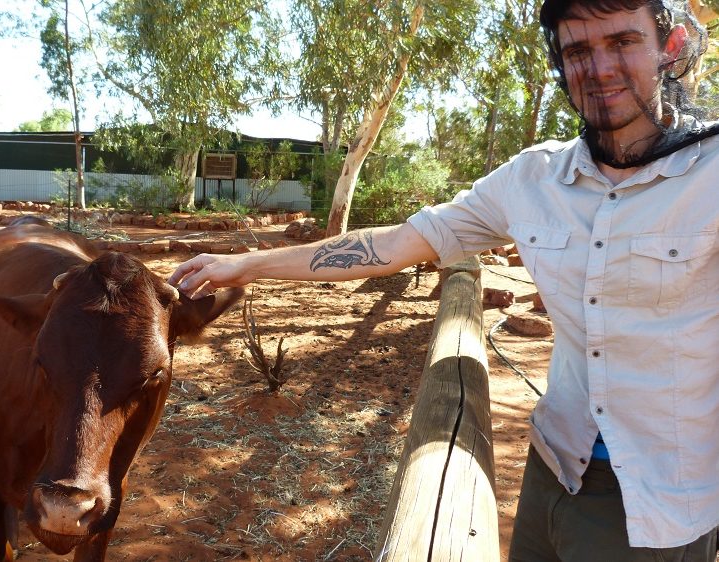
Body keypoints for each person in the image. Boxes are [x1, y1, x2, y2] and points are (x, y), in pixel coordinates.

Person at [169, 0, 719, 559]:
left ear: (669, 47)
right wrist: (243, 266)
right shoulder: (533, 178)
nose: (599, 68)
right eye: (578, 50)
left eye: (623, 42)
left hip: (661, 501)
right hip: (554, 466)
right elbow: (387, 247)